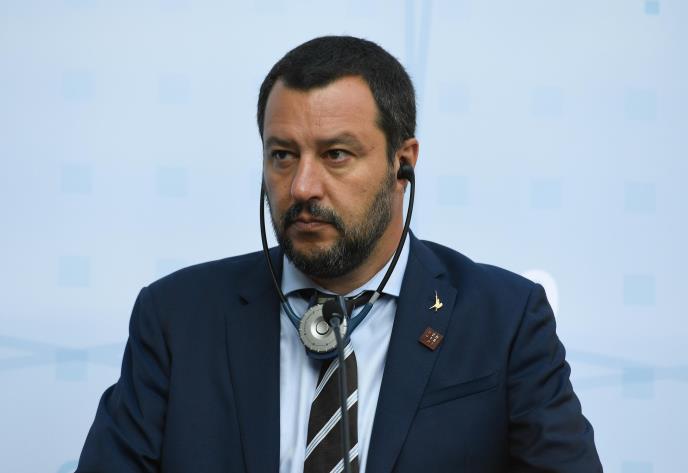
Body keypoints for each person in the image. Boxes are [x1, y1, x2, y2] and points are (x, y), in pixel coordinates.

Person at [76, 36, 602, 473]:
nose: (302, 186)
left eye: (336, 154)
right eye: (282, 155)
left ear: (403, 162)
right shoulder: (176, 317)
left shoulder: (505, 319)